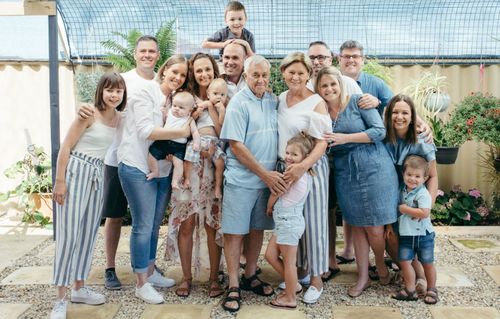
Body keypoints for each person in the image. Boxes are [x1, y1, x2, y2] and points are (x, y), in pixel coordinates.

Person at [79, 38, 188, 291]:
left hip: (151, 160)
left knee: (148, 220)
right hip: (119, 157)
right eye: (143, 51)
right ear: (135, 53)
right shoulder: (125, 80)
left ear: (158, 56)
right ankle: (110, 267)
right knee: (115, 215)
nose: (147, 55)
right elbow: (102, 103)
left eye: (152, 51)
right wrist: (86, 112)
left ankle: (147, 267)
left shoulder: (167, 91)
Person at [50, 73, 126, 319]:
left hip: (97, 173)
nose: (114, 95)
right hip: (75, 171)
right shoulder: (88, 114)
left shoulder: (119, 118)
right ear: (101, 91)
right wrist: (60, 182)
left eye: (118, 91)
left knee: (87, 233)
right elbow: (66, 147)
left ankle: (79, 288)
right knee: (68, 235)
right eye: (109, 90)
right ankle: (60, 299)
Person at [117, 53, 191, 304]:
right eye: (175, 72)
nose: (178, 78)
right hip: (137, 165)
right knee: (142, 225)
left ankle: (149, 270)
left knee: (154, 223)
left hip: (162, 169)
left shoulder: (174, 99)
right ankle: (141, 283)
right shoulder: (144, 92)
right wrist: (182, 131)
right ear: (164, 69)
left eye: (182, 75)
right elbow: (146, 131)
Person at [319, 66, 398, 298]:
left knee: (374, 227)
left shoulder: (357, 101)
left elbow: (379, 131)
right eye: (324, 85)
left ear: (340, 85)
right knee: (357, 224)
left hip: (374, 167)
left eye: (333, 84)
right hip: (346, 173)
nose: (329, 89)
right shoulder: (320, 111)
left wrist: (345, 138)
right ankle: (363, 276)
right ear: (318, 90)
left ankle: (382, 267)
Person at [220, 55, 287, 312]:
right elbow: (236, 145)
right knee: (235, 232)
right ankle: (234, 283)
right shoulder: (238, 103)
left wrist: (269, 176)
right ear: (246, 76)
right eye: (255, 75)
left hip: (265, 181)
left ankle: (250, 275)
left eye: (264, 75)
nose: (260, 80)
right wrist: (264, 174)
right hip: (243, 179)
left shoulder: (272, 101)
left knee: (258, 228)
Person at [165, 52, 224, 299]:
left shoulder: (220, 96)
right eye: (198, 70)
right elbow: (172, 129)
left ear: (214, 70)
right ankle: (187, 277)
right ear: (192, 73)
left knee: (211, 223)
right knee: (187, 222)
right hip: (189, 164)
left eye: (208, 69)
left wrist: (212, 146)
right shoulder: (183, 98)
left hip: (212, 165)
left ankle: (213, 278)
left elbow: (225, 131)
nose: (204, 75)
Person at [277, 52, 331, 304]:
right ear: (283, 73)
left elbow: (323, 142)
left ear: (308, 75)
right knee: (293, 222)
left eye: (301, 72)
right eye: (291, 71)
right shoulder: (279, 99)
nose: (295, 76)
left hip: (312, 170)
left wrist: (304, 166)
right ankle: (299, 273)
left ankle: (317, 279)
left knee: (314, 222)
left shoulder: (316, 102)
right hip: (287, 167)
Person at [383, 94, 438, 296]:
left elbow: (432, 176)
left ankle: (422, 278)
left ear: (413, 116)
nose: (399, 117)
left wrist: (427, 207)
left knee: (413, 238)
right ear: (388, 115)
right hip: (392, 195)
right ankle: (408, 274)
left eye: (405, 112)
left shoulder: (422, 140)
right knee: (391, 238)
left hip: (414, 199)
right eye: (395, 112)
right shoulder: (384, 137)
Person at [265, 132, 314, 310]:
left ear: (305, 157)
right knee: (270, 255)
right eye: (287, 153)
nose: (289, 157)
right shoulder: (302, 173)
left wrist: (269, 206)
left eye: (294, 154)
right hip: (284, 221)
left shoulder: (293, 173)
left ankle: (291, 297)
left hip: (289, 220)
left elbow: (277, 191)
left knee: (289, 263)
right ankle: (294, 285)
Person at [391, 155, 438, 305]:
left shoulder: (423, 193)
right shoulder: (402, 190)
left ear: (424, 178)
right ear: (403, 174)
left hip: (423, 236)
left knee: (427, 263)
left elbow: (424, 212)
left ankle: (432, 288)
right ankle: (410, 290)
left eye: (417, 176)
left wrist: (404, 209)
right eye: (409, 175)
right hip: (406, 235)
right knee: (405, 262)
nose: (412, 179)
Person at [183, 78, 227, 199]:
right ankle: (186, 177)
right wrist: (198, 111)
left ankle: (218, 186)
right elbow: (191, 117)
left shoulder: (222, 109)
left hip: (214, 142)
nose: (219, 97)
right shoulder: (202, 103)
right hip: (199, 139)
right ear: (208, 94)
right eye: (215, 94)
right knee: (189, 156)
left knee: (220, 161)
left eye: (222, 95)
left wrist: (222, 111)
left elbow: (222, 126)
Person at [146, 92, 200, 190]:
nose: (176, 109)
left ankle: (175, 181)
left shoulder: (189, 120)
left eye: (181, 107)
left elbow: (195, 132)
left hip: (178, 146)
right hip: (164, 141)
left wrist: (196, 143)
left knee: (178, 164)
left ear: (190, 110)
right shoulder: (170, 113)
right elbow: (163, 120)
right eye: (175, 105)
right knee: (151, 154)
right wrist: (163, 112)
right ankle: (155, 171)